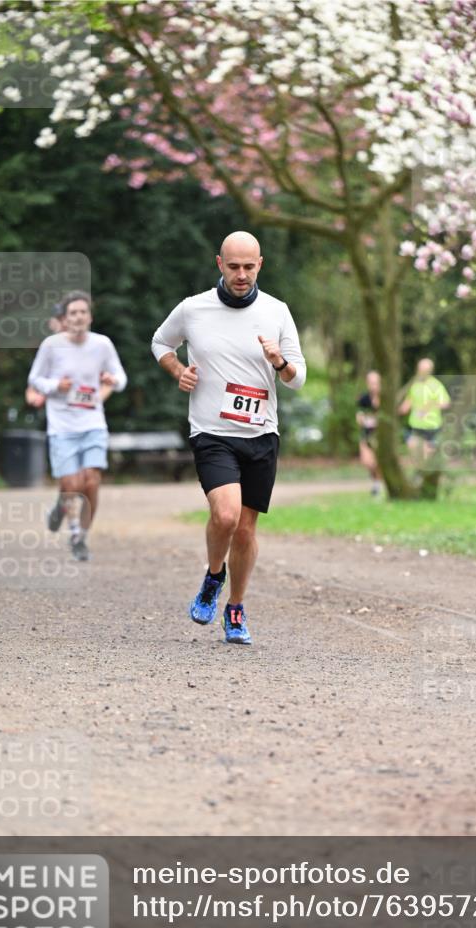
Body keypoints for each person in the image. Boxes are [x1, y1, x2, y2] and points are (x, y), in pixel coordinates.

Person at [151, 231, 306, 644]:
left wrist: (280, 362)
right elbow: (160, 341)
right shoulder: (193, 308)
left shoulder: (276, 311)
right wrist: (177, 370)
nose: (241, 275)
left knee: (246, 530)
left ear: (260, 265)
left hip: (261, 433)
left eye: (249, 267)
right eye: (233, 266)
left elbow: (298, 378)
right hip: (212, 432)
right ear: (219, 264)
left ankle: (235, 608)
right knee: (225, 516)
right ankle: (213, 576)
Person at [27, 291, 127, 561]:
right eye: (73, 313)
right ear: (65, 318)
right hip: (62, 426)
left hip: (93, 423)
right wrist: (55, 385)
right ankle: (62, 507)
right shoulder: (51, 346)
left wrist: (112, 380)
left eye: (83, 312)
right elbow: (35, 379)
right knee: (72, 483)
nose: (79, 316)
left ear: (90, 317)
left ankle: (79, 536)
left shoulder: (102, 344)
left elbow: (121, 377)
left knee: (91, 481)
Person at [398, 358, 450, 461]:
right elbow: (408, 403)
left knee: (426, 454)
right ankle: (421, 468)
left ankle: (425, 468)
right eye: (420, 369)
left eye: (425, 370)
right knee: (413, 448)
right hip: (416, 424)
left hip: (431, 425)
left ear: (430, 371)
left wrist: (430, 406)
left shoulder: (436, 385)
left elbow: (446, 403)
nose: (421, 372)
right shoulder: (414, 384)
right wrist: (397, 410)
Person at [356, 370, 384, 496]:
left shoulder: (385, 399)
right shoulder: (364, 399)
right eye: (371, 383)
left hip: (380, 435)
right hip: (366, 433)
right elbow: (359, 415)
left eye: (376, 383)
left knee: (377, 461)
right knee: (367, 461)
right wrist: (362, 419)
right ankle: (376, 481)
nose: (373, 386)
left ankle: (377, 486)